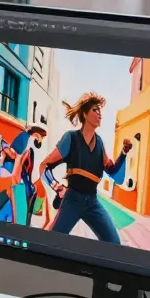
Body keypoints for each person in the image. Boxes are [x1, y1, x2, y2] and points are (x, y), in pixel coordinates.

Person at [38, 92, 132, 243]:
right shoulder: (71, 138)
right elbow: (44, 166)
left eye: (100, 111)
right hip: (72, 200)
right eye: (95, 110)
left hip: (93, 202)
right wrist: (56, 186)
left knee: (114, 244)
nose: (99, 114)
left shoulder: (100, 143)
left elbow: (112, 171)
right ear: (85, 114)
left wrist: (123, 153)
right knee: (52, 242)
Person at [0, 125, 46, 226]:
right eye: (41, 137)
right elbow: (14, 154)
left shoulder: (28, 144)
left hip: (20, 179)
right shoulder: (25, 139)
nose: (41, 140)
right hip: (14, 175)